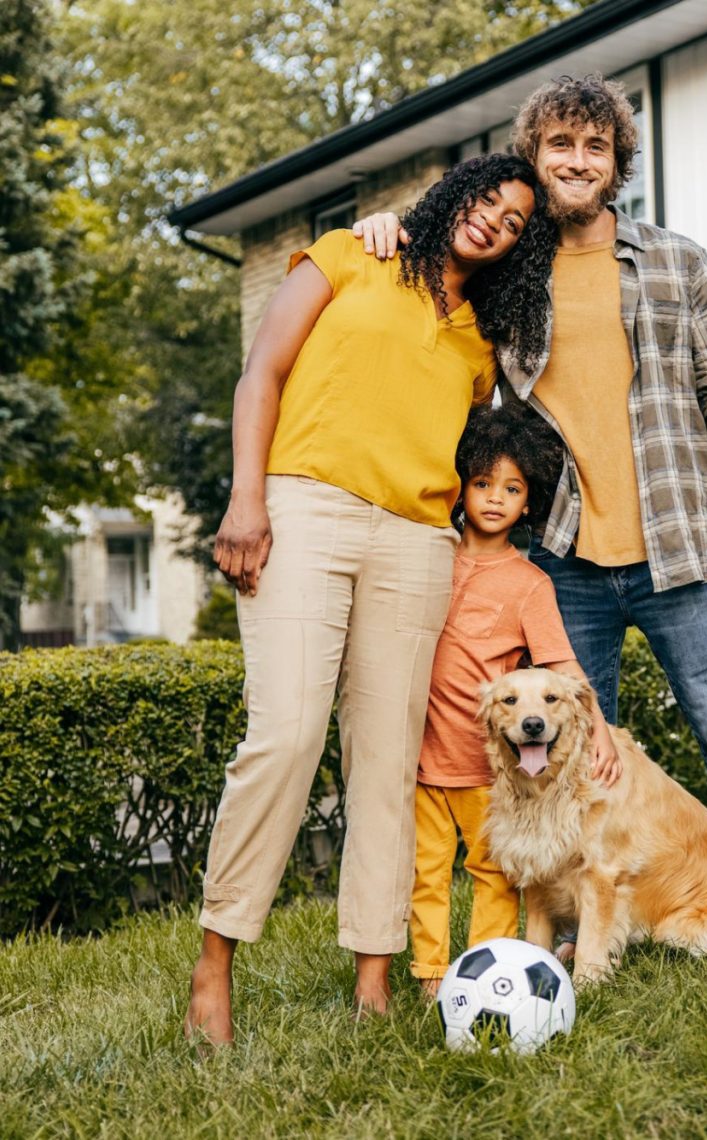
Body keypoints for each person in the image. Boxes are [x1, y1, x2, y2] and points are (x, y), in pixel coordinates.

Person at [354, 75, 707, 980]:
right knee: (570, 761)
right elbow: (443, 251)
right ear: (537, 155)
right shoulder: (512, 276)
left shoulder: (676, 261)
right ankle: (574, 931)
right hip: (563, 563)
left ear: (617, 163)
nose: (577, 161)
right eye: (561, 145)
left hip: (681, 550)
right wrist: (388, 225)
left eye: (595, 148)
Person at [185, 153, 557, 1047]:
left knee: (389, 760)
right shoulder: (353, 254)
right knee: (286, 733)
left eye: (514, 224)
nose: (494, 224)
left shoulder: (479, 342)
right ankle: (215, 961)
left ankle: (376, 978)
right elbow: (261, 376)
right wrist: (247, 499)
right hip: (304, 505)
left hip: (416, 541)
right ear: (454, 196)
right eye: (488, 202)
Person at [410, 405, 619, 997]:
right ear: (460, 488)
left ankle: (482, 977)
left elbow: (562, 667)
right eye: (482, 484)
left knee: (494, 878)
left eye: (512, 488)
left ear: (529, 502)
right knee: (424, 874)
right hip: (422, 760)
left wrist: (599, 728)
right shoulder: (431, 558)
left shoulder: (531, 584)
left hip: (487, 771)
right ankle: (429, 979)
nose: (496, 498)